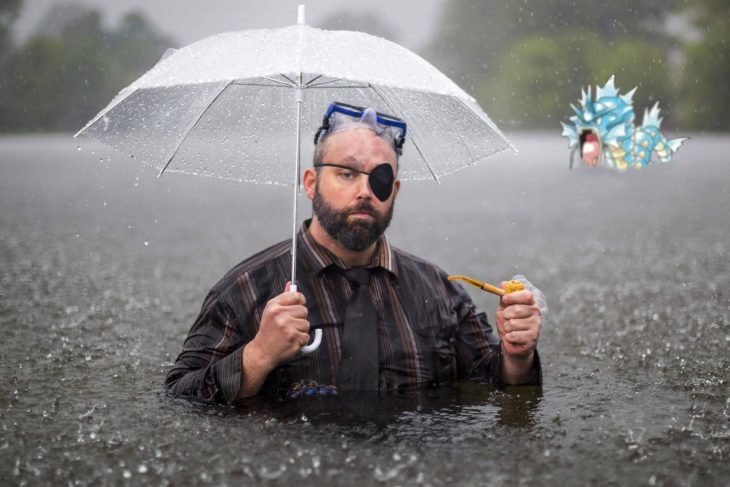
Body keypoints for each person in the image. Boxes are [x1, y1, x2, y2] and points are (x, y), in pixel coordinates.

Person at [165, 102, 543, 403]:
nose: (364, 191)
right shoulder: (245, 290)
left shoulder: (440, 292)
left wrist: (517, 355)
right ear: (311, 183)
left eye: (378, 179)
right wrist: (258, 356)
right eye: (346, 174)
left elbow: (500, 386)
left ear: (394, 190)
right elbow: (180, 396)